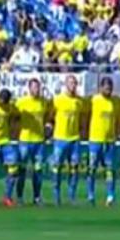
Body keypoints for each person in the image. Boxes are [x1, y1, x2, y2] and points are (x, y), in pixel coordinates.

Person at [50, 75, 85, 206]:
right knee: (56, 168)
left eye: (75, 83)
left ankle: (72, 196)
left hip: (74, 139)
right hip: (60, 138)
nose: (73, 86)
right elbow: (50, 116)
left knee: (74, 168)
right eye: (70, 83)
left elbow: (82, 118)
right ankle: (56, 196)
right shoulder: (57, 100)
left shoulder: (79, 102)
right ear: (65, 84)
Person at [86, 77, 120, 207]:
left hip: (109, 141)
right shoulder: (94, 100)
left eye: (110, 88)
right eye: (106, 87)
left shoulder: (115, 102)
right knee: (92, 169)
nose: (108, 90)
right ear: (100, 88)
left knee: (110, 170)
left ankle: (110, 196)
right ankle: (90, 195)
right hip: (95, 140)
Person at [15, 78, 49, 205]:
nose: (36, 90)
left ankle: (37, 197)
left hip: (39, 142)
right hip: (25, 141)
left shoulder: (44, 102)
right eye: (34, 87)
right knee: (22, 170)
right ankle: (19, 197)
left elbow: (47, 117)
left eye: (38, 87)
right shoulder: (21, 102)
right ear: (29, 88)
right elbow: (14, 117)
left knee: (38, 171)